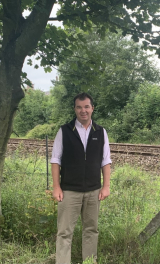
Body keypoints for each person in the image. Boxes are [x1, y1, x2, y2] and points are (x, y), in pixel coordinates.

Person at [51, 92, 111, 264]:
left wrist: (105, 186)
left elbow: (105, 161)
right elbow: (55, 160)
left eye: (86, 107)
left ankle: (90, 262)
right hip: (69, 190)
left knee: (91, 230)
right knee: (64, 232)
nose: (83, 110)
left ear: (92, 108)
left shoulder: (100, 132)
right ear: (75, 109)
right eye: (79, 107)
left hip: (94, 190)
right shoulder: (64, 131)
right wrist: (56, 187)